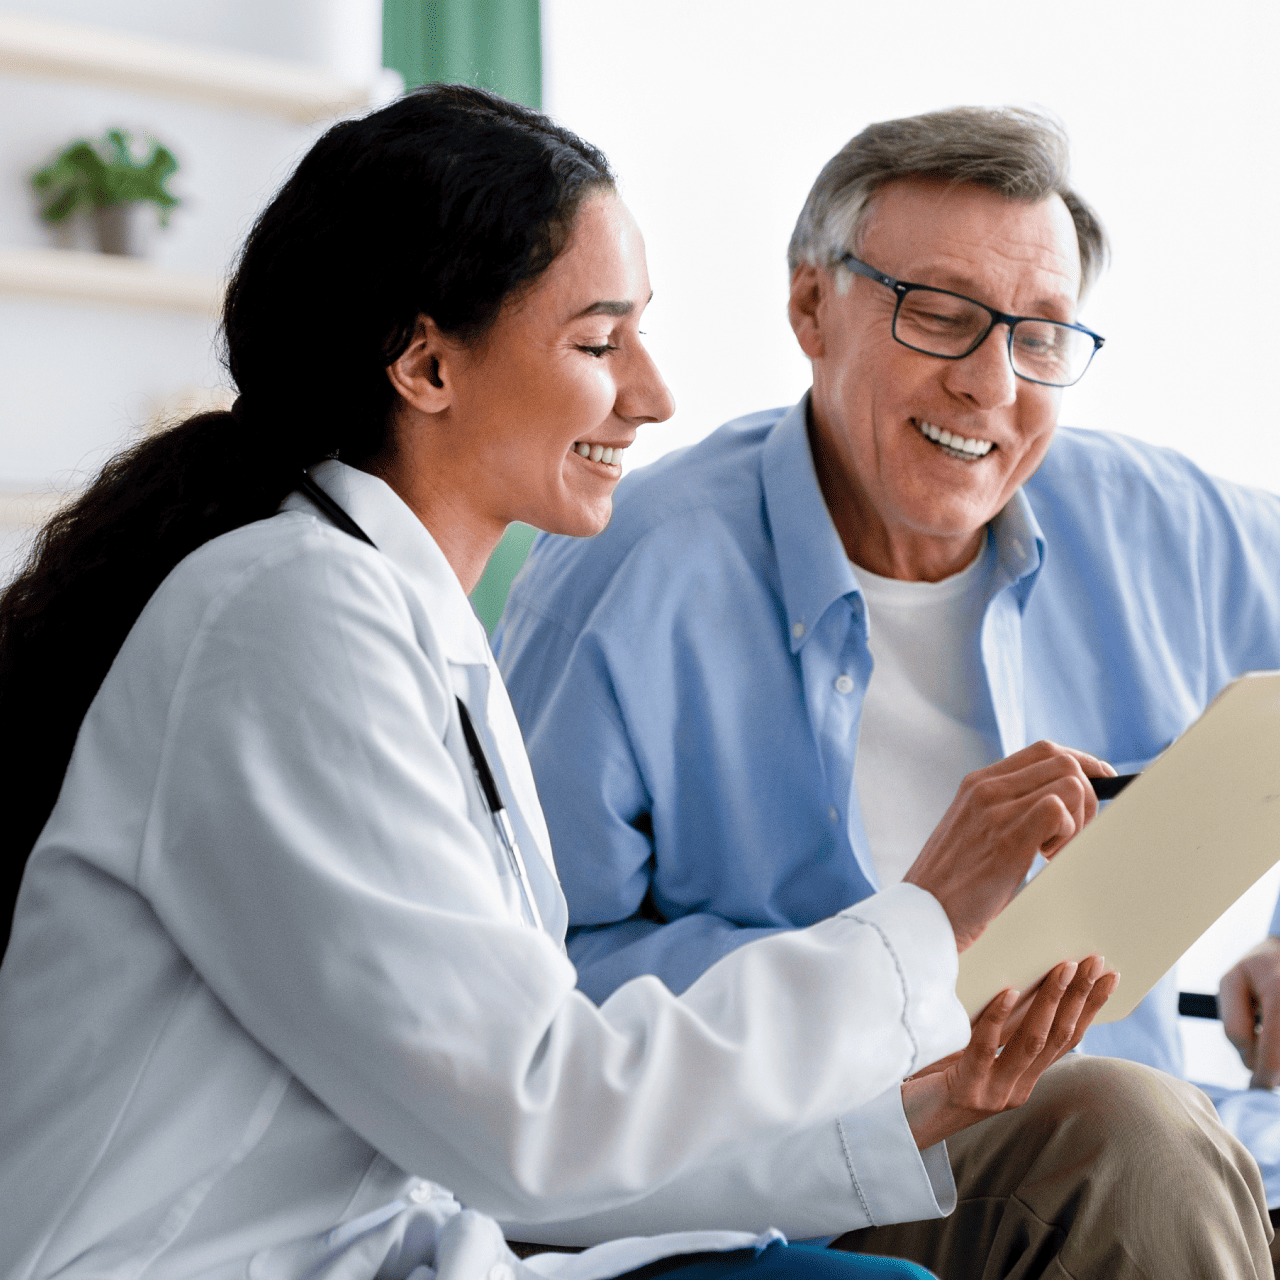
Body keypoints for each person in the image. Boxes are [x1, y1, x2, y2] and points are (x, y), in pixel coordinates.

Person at [0, 87, 1123, 1281]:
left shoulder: (404, 621)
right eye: (599, 343)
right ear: (426, 362)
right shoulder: (286, 615)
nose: (654, 395)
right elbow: (537, 1120)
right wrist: (923, 920)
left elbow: (520, 1134)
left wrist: (909, 1115)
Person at [494, 106, 1279, 1278]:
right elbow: (532, 988)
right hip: (807, 1156)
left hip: (1148, 1156)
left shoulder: (1157, 523)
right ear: (813, 307)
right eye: (944, 317)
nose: (990, 385)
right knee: (1137, 1138)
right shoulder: (625, 576)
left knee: (1153, 1137)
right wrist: (881, 968)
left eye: (1041, 336)